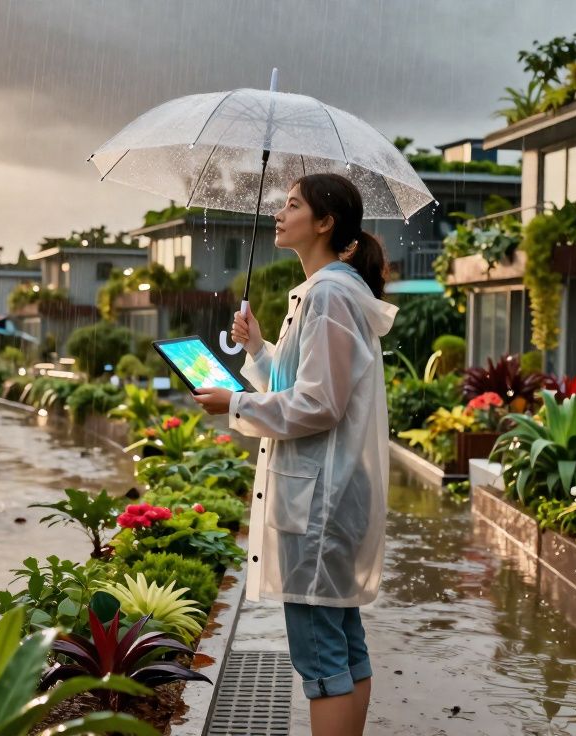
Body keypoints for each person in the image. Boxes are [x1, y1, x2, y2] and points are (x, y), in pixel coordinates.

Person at [193, 173, 395, 736]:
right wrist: (258, 349)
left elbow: (319, 403)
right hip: (329, 493)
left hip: (319, 500)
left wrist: (234, 403)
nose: (280, 215)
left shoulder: (329, 294)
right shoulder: (327, 291)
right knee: (343, 645)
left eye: (293, 205)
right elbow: (298, 380)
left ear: (326, 222)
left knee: (321, 658)